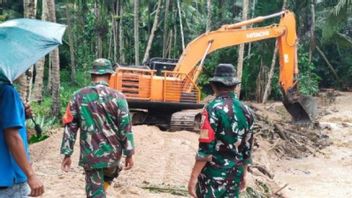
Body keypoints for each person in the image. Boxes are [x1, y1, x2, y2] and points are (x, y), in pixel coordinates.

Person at [60, 58, 135, 198]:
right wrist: (129, 154)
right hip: (113, 156)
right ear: (110, 75)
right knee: (110, 174)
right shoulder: (119, 97)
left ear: (92, 75)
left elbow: (70, 127)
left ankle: (98, 192)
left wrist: (67, 153)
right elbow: (126, 127)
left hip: (91, 156)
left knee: (95, 192)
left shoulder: (77, 96)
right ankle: (100, 191)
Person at [188, 64, 254, 198]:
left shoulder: (211, 109)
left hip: (213, 176)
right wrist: (244, 174)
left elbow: (206, 148)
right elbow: (247, 148)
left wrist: (193, 178)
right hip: (235, 174)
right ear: (234, 86)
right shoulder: (248, 111)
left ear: (214, 86)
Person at [0, 77, 44, 197]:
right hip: (9, 180)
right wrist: (31, 175)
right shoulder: (6, 91)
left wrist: (19, 113)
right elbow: (12, 136)